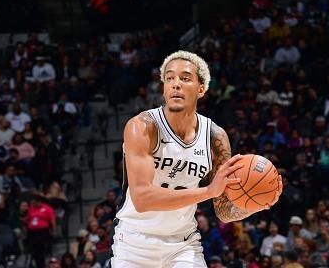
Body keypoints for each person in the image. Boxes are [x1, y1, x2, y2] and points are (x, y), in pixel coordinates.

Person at [111, 51, 282, 267]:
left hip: (183, 244)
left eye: (185, 78)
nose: (175, 84)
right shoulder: (143, 126)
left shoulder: (215, 137)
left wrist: (259, 203)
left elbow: (224, 211)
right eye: (169, 78)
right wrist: (209, 191)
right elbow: (143, 199)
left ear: (201, 89)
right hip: (135, 243)